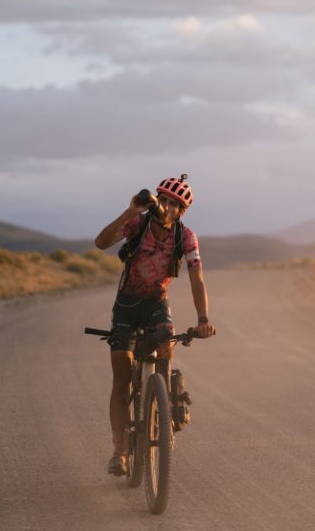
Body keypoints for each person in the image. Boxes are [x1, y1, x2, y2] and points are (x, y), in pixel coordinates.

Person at [93, 174, 215, 477]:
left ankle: (165, 404)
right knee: (121, 378)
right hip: (126, 305)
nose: (165, 205)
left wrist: (203, 320)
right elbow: (101, 242)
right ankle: (119, 451)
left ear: (181, 211)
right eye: (162, 199)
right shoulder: (138, 224)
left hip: (157, 305)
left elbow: (197, 279)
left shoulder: (186, 237)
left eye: (173, 203)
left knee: (165, 349)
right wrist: (131, 210)